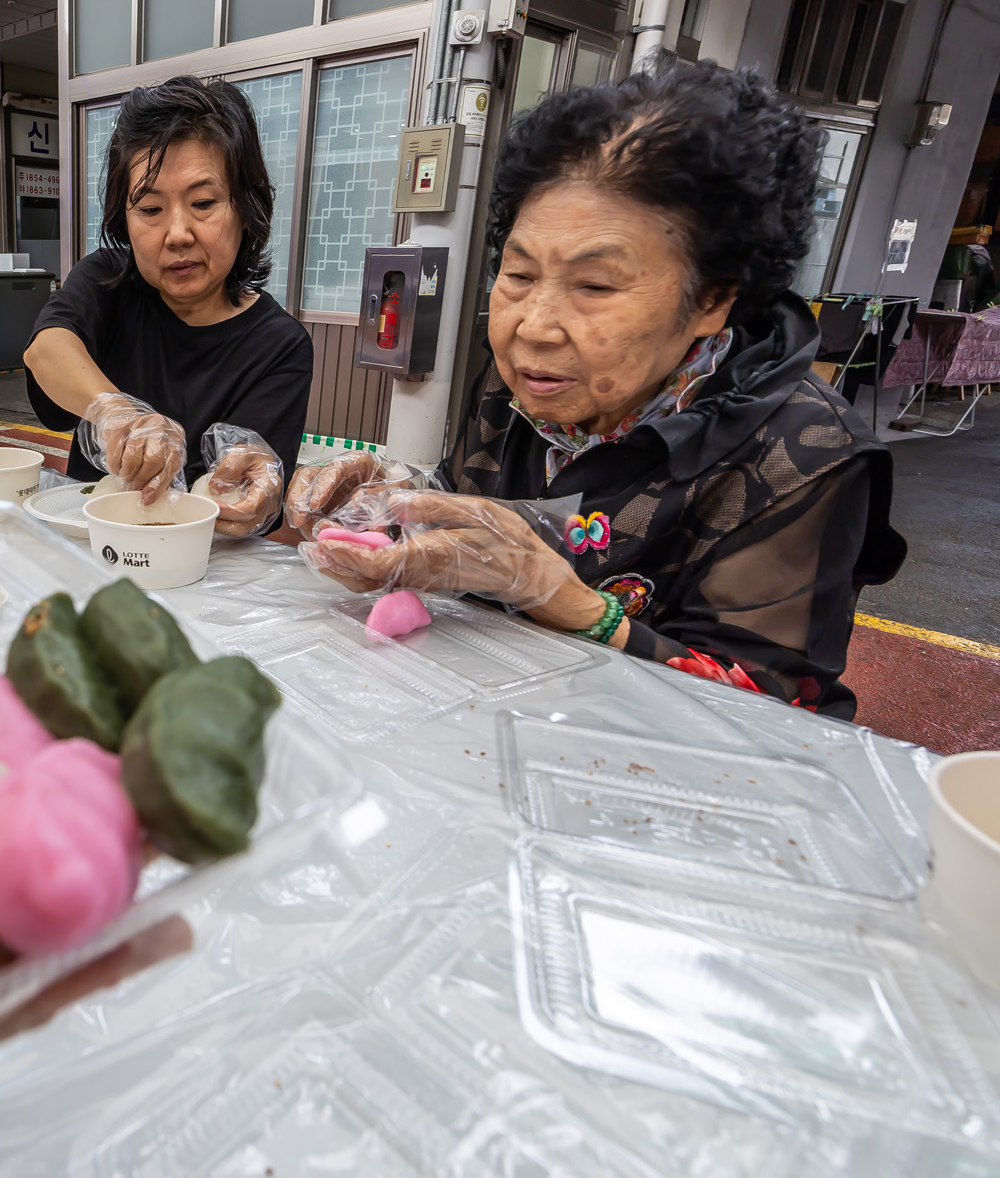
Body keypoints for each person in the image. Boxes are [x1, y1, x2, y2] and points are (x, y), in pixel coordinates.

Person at [287, 60, 905, 719]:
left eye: (596, 287)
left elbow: (778, 712)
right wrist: (393, 505)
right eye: (518, 274)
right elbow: (475, 507)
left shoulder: (802, 457)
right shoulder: (525, 380)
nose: (533, 326)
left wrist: (581, 610)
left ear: (714, 300)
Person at [24, 76, 312, 539]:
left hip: (204, 567)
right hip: (89, 549)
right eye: (151, 209)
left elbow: (258, 485)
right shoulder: (108, 281)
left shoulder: (279, 345)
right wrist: (118, 413)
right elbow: (47, 349)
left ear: (246, 208)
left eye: (203, 203)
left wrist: (258, 494)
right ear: (126, 219)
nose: (177, 233)